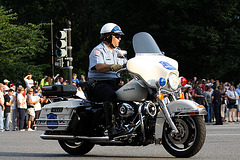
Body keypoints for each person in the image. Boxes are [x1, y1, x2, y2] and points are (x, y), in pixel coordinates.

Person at [88, 23, 127, 139]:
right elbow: (99, 67)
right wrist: (111, 67)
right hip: (98, 84)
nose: (120, 39)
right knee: (110, 94)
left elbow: (127, 63)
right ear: (108, 37)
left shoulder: (118, 51)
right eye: (117, 36)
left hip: (113, 83)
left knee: (130, 91)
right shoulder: (98, 51)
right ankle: (111, 128)